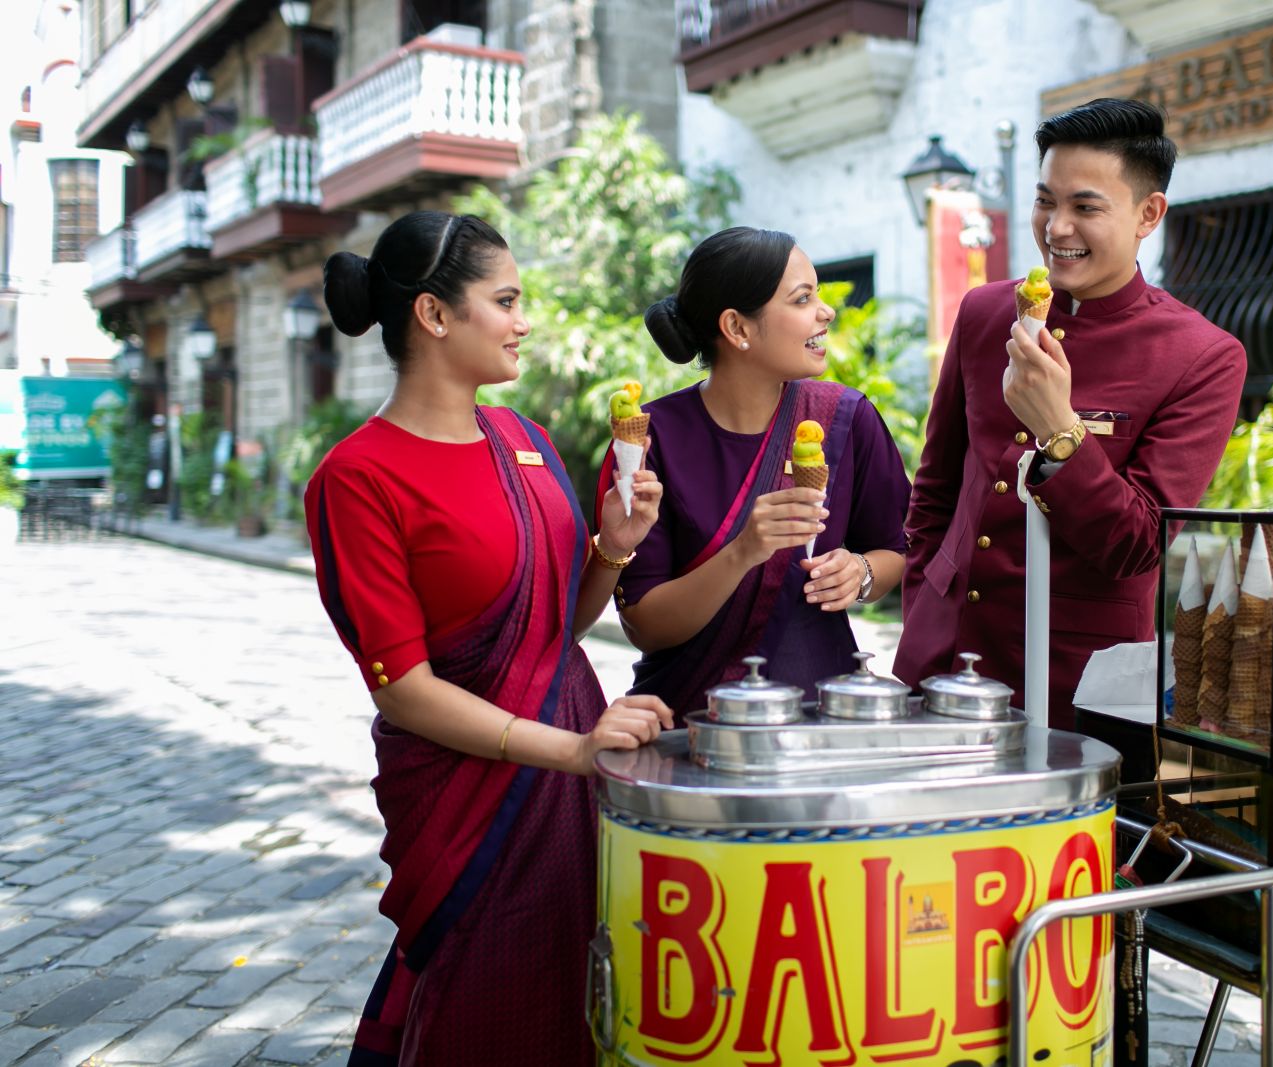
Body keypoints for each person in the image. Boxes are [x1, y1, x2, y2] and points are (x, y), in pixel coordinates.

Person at [303, 210, 671, 1065]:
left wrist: (612, 550)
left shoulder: (522, 439)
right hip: (473, 791)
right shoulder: (357, 477)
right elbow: (402, 685)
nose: (524, 319)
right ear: (434, 315)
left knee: (588, 993)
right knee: (489, 1006)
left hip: (570, 774)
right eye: (505, 300)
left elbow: (550, 624)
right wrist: (572, 749)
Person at [893, 98, 1248, 728]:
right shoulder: (982, 314)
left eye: (1085, 207)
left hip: (1073, 680)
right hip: (942, 659)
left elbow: (1139, 546)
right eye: (1044, 201)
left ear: (1148, 214)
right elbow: (935, 492)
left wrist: (1060, 430)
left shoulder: (1201, 356)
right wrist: (923, 603)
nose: (1056, 227)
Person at [605, 226, 911, 708]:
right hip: (693, 718)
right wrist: (744, 550)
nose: (826, 312)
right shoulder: (651, 440)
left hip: (823, 708)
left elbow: (896, 549)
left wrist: (861, 571)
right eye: (803, 298)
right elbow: (645, 625)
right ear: (738, 329)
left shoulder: (848, 418)